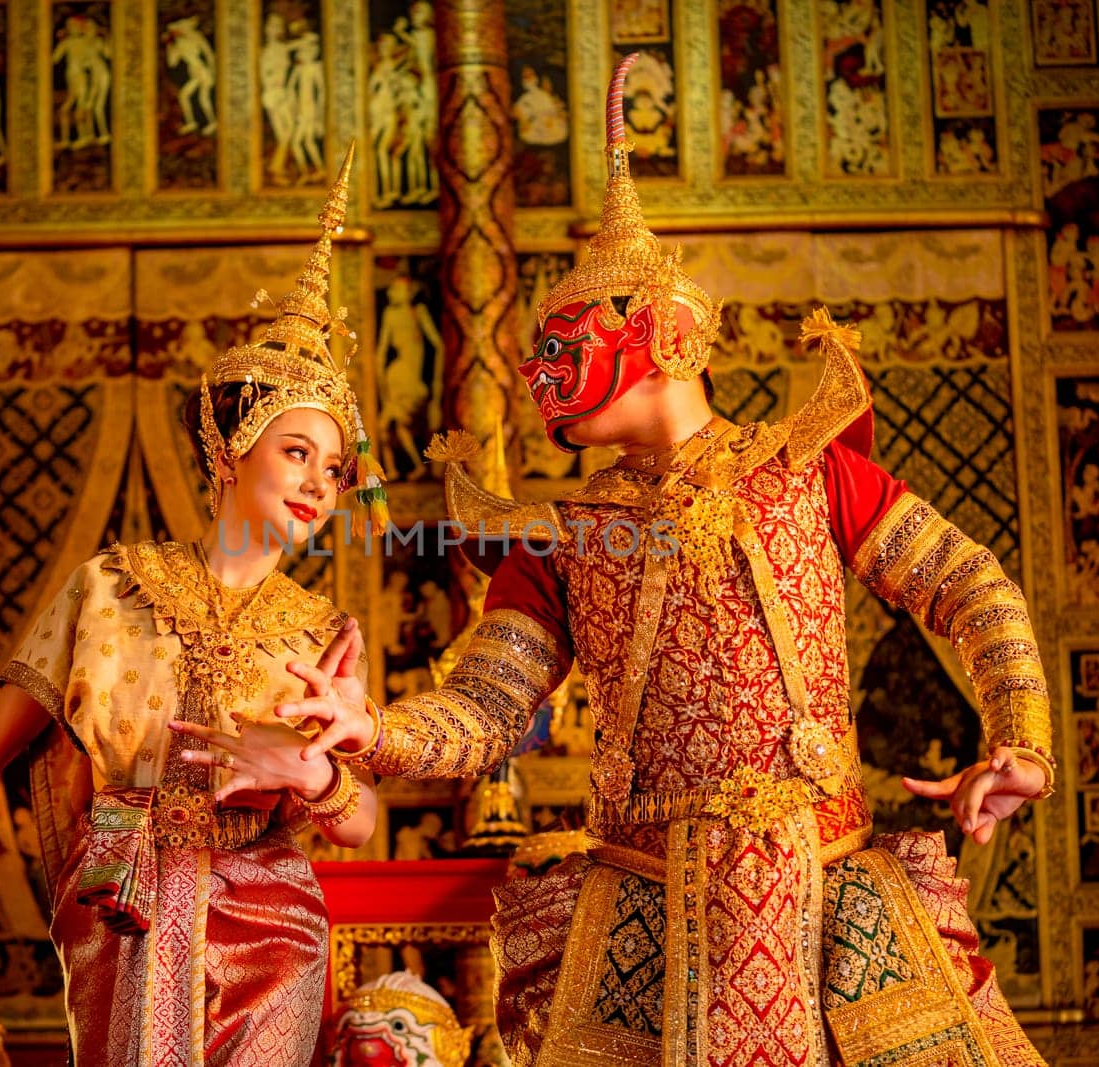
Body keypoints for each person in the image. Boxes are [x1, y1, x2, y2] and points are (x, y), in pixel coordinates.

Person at [284, 57, 1052, 1066]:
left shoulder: (808, 473)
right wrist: (369, 727)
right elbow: (480, 709)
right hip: (647, 913)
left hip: (827, 895)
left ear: (666, 331)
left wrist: (1021, 736)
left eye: (569, 336)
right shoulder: (560, 538)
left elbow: (969, 583)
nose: (541, 368)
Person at [0, 150, 380, 1066]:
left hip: (272, 917)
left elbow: (357, 818)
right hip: (127, 898)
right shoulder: (110, 587)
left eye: (335, 467)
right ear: (231, 447)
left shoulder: (321, 630)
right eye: (298, 451)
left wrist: (321, 781)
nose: (319, 483)